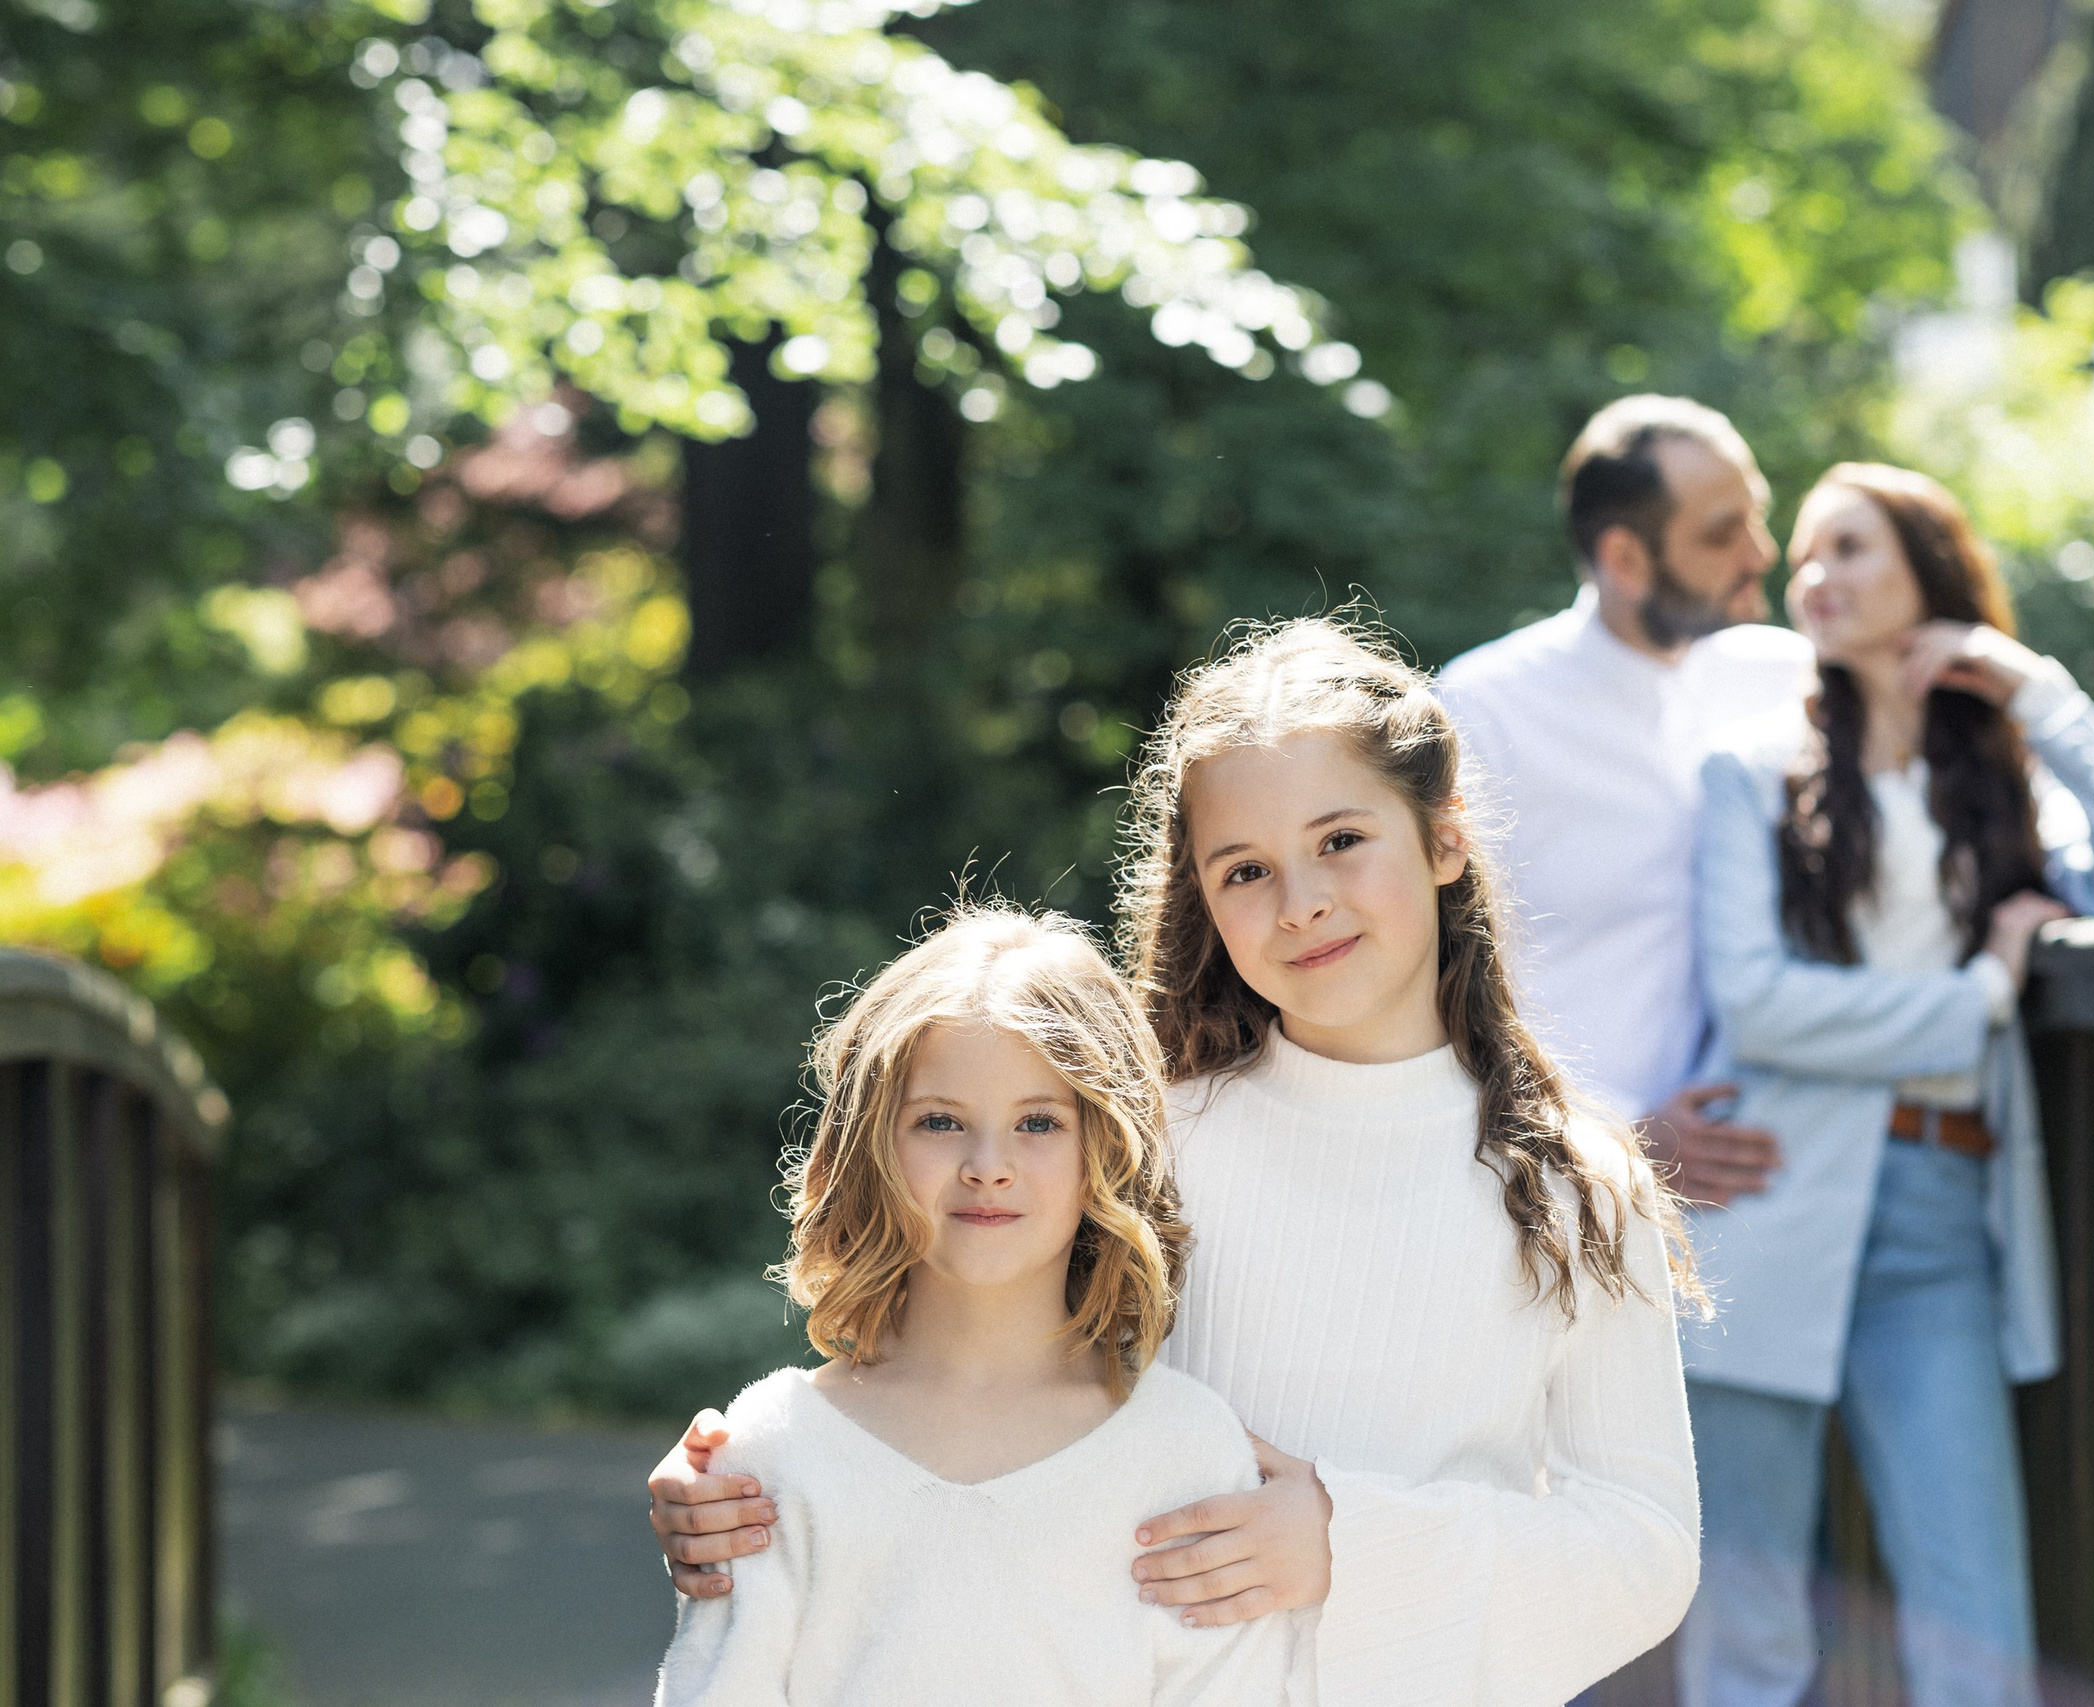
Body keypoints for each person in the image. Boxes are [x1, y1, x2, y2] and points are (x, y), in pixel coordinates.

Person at [651, 619, 1703, 1707]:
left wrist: (1350, 1547)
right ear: (1200, 897)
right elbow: (954, 1376)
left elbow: (1645, 1546)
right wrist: (750, 1476)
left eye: (1341, 840)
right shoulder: (1143, 1137)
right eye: (1247, 870)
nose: (1300, 903)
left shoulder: (1577, 1185)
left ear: (1445, 838)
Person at [1684, 464, 2094, 1706]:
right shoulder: (1746, 774)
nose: (1818, 576)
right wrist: (1975, 1001)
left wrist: (2037, 688)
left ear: (1928, 574)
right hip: (1769, 1200)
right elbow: (1758, 1004)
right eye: (1806, 554)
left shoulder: (1998, 779)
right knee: (1751, 1629)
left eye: (1852, 549)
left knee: (1975, 1620)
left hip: (1938, 1212)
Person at [652, 908, 1303, 1706]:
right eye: (940, 1121)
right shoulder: (776, 1450)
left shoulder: (1186, 1454)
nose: (988, 1165)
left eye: (1038, 1122)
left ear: (1105, 1144)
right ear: (870, 1147)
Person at [1435, 394, 1811, 1203]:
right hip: (1556, 1197)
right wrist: (1621, 1132)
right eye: (1721, 532)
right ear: (1627, 559)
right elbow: (1436, 979)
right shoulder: (1485, 711)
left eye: (1757, 517)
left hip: (1776, 1190)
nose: (1762, 551)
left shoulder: (1787, 678)